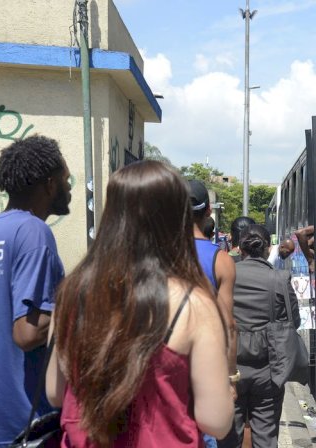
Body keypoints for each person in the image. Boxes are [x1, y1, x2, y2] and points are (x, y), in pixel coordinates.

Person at [45, 161, 234, 446]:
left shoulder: (73, 293)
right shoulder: (193, 303)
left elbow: (54, 393)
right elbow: (216, 422)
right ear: (177, 219)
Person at [0, 135, 71, 447]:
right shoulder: (34, 232)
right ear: (49, 185)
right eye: (65, 180)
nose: (69, 188)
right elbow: (27, 333)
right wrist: (77, 303)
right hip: (19, 424)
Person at [218, 224, 299, 448]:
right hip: (268, 368)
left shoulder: (227, 275)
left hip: (230, 368)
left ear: (241, 249)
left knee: (228, 437)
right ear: (267, 249)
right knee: (265, 435)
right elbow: (294, 322)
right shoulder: (279, 279)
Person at [188, 180, 239, 448]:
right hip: (205, 368)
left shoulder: (157, 254)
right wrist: (230, 378)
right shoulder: (221, 260)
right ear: (208, 211)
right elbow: (228, 325)